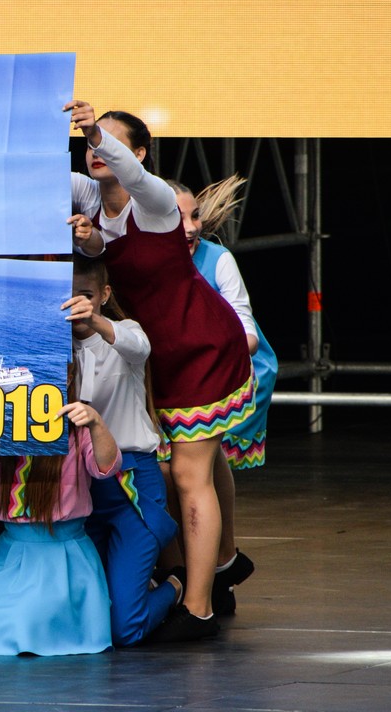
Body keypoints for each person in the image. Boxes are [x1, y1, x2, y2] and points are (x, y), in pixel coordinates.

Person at [66, 102, 256, 641]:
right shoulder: (89, 198)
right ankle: (225, 560)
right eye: (90, 145)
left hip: (199, 345)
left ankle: (198, 607)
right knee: (197, 462)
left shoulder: (153, 199)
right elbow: (28, 178)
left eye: (110, 143)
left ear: (138, 153)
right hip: (152, 357)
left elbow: (127, 171)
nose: (96, 152)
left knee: (189, 475)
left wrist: (94, 131)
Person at [0, 365, 123, 656]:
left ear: (69, 376)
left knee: (24, 622)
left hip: (62, 559)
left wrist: (96, 424)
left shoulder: (78, 426)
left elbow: (107, 467)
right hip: (9, 554)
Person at [168, 176, 277, 613]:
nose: (191, 227)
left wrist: (193, 347)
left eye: (194, 216)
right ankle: (210, 570)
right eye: (177, 217)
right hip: (168, 379)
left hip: (226, 373)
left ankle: (215, 566)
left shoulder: (217, 260)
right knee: (183, 466)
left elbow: (247, 336)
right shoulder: (142, 259)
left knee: (193, 460)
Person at [66, 255, 181, 645]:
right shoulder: (50, 345)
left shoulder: (124, 331)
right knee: (90, 621)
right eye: (68, 295)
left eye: (85, 295)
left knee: (124, 629)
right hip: (79, 490)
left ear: (104, 294)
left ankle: (176, 585)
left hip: (133, 483)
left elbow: (140, 346)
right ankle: (140, 584)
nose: (76, 303)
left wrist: (95, 320)